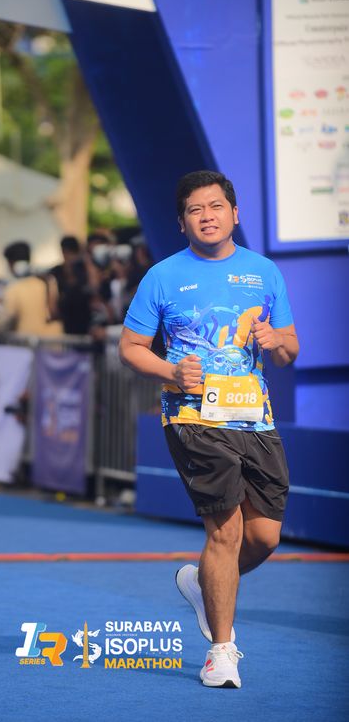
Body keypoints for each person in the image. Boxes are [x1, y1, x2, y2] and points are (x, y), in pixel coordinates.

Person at [119, 170, 299, 689]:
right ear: (182, 223)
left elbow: (289, 349)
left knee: (264, 536)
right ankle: (221, 652)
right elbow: (130, 348)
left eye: (216, 206)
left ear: (234, 214)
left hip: (254, 417)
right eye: (195, 210)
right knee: (225, 531)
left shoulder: (263, 272)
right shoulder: (163, 276)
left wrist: (276, 341)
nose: (207, 216)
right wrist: (171, 372)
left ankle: (205, 584)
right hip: (192, 417)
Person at [0, 242, 62, 337]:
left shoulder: (14, 288)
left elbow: (7, 319)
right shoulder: (49, 281)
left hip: (29, 341)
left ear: (13, 264)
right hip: (54, 340)